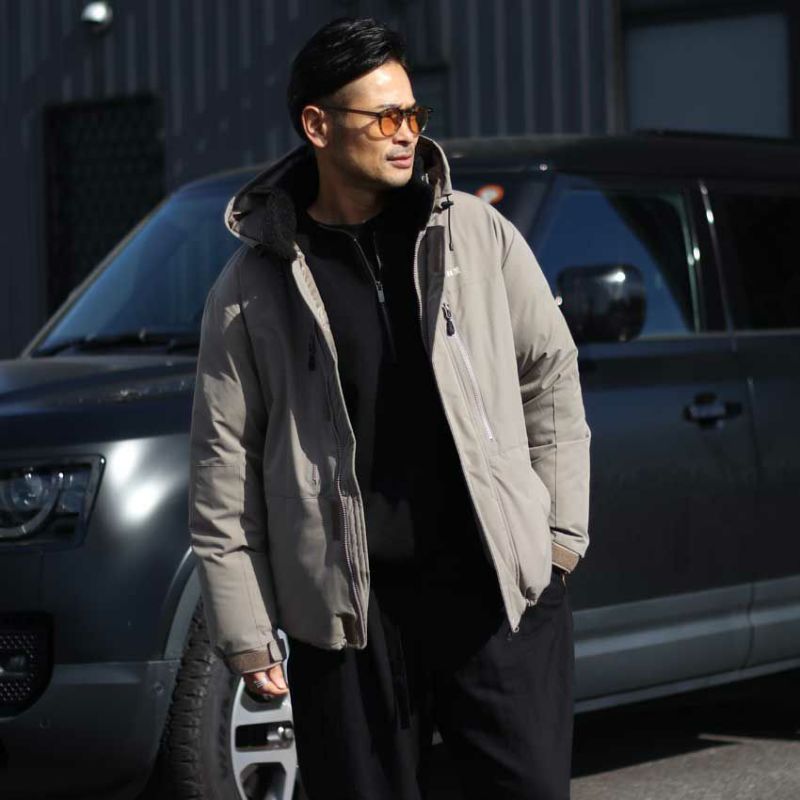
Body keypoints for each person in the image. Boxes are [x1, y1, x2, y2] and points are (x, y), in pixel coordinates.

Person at [188, 16, 591, 800]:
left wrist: (556, 542)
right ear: (318, 126)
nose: (407, 134)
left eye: (413, 114)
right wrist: (245, 631)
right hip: (351, 624)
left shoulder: (475, 234)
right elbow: (222, 468)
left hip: (494, 600)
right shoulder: (251, 287)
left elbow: (550, 375)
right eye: (385, 118)